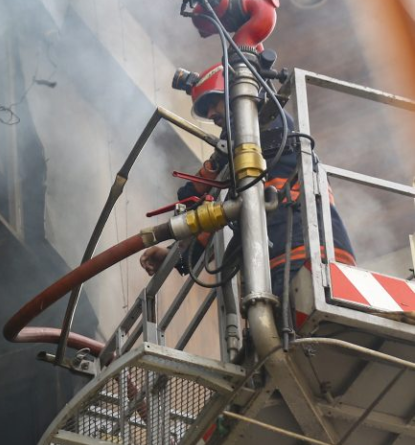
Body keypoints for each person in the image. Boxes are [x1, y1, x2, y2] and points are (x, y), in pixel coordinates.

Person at [139, 64, 355, 298]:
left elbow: (209, 182)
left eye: (213, 102)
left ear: (233, 94)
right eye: (206, 110)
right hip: (285, 256)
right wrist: (173, 260)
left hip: (306, 249)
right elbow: (207, 236)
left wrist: (207, 174)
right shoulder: (244, 173)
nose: (211, 115)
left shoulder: (269, 122)